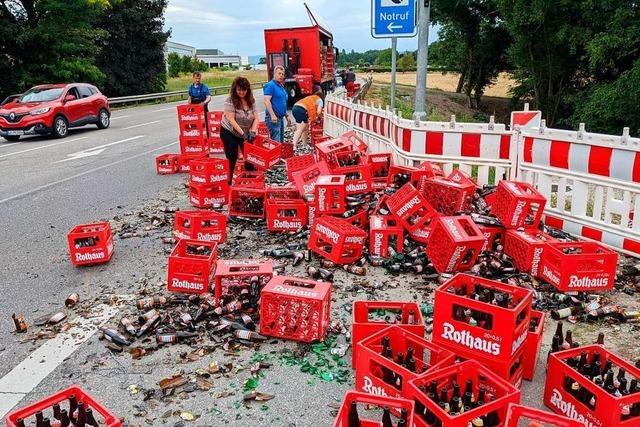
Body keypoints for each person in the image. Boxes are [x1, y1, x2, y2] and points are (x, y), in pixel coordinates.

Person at [220, 77, 258, 183]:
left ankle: (250, 181)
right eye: (239, 90)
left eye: (244, 90)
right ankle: (228, 181)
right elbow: (231, 119)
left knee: (250, 157)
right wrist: (243, 134)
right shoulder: (230, 100)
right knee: (232, 156)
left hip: (245, 132)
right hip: (230, 131)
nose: (241, 92)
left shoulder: (251, 100)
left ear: (247, 90)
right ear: (235, 90)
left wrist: (253, 131)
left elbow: (256, 118)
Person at [263, 65, 291, 143]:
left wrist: (286, 115)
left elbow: (282, 102)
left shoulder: (281, 86)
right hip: (274, 119)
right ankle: (277, 156)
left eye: (282, 74)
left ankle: (280, 155)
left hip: (280, 118)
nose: (281, 76)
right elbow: (266, 101)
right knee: (276, 142)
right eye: (279, 73)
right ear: (274, 74)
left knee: (281, 142)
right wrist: (272, 115)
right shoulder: (270, 85)